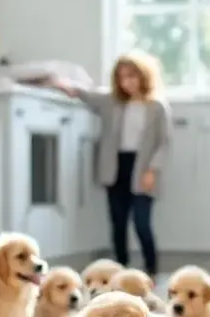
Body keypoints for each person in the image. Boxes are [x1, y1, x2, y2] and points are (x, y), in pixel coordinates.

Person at [50, 52, 170, 277]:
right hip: (116, 167)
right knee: (118, 222)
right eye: (122, 77)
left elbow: (163, 143)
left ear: (143, 76)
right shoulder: (111, 102)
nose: (127, 82)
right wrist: (64, 86)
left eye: (132, 76)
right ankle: (121, 268)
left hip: (142, 168)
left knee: (142, 222)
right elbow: (86, 95)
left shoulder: (156, 107)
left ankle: (151, 268)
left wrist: (152, 170)